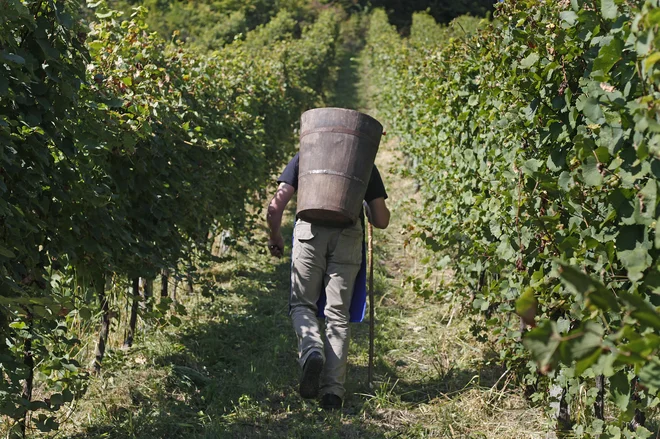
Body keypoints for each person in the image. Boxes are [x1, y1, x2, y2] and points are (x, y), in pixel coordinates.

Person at [266, 152, 390, 410]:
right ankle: (333, 393)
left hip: (309, 232)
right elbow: (381, 220)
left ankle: (312, 350)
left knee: (302, 305)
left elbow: (275, 206)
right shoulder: (361, 158)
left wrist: (275, 236)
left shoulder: (306, 154)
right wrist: (365, 207)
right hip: (348, 236)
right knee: (338, 313)